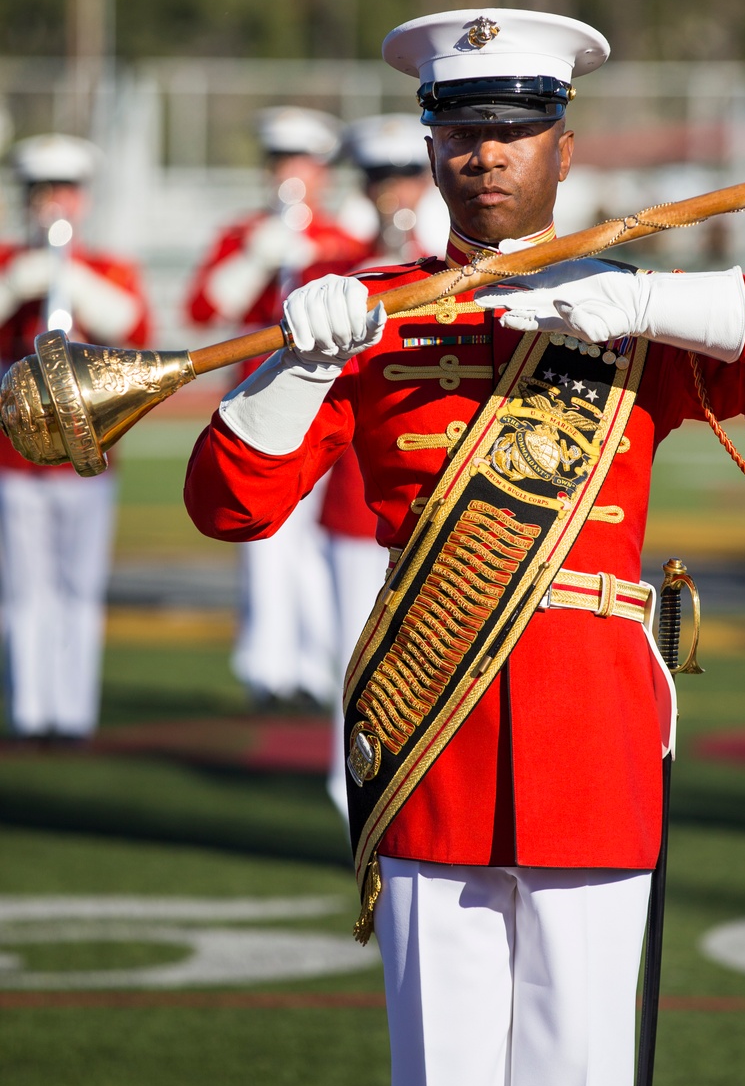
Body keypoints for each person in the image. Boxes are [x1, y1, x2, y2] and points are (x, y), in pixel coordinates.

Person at [184, 7, 745, 1086]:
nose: (486, 154)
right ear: (429, 147)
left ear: (564, 144)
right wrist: (295, 367)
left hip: (588, 738)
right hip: (429, 735)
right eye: (461, 129)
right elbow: (228, 506)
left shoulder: (631, 314)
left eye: (516, 129)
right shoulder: (369, 314)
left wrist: (655, 301)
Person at [186, 105, 372, 708]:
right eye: (279, 163)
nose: (289, 175)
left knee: (325, 539)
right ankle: (267, 666)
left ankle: (318, 665)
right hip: (259, 401)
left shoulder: (345, 240)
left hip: (330, 404)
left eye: (302, 164)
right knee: (264, 538)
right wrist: (257, 256)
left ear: (322, 173)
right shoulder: (245, 235)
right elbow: (205, 309)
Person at [318, 113, 448, 822]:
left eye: (405, 176)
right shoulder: (333, 269)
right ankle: (353, 792)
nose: (393, 191)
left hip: (438, 502)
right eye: (379, 179)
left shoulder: (457, 266)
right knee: (355, 648)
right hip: (353, 497)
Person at [0, 134, 150, 739]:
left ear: (82, 201)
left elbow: (133, 327)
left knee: (78, 588)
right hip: (15, 460)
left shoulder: (108, 267)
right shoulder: (10, 262)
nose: (53, 205)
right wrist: (21, 283)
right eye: (41, 193)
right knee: (21, 587)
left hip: (88, 456)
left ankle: (73, 713)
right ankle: (31, 708)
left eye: (63, 192)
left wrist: (71, 279)